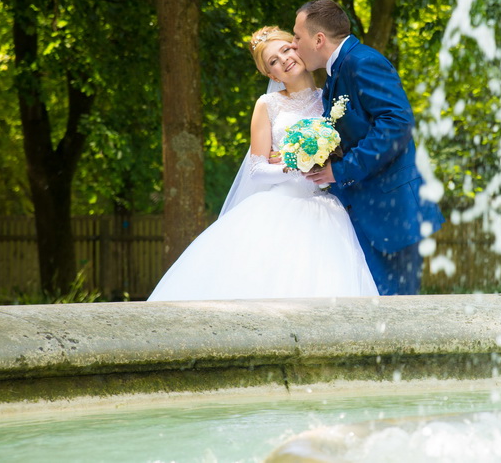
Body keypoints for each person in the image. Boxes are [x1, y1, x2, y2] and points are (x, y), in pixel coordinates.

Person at [147, 26, 378, 301]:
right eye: (273, 62)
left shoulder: (331, 100)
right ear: (271, 74)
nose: (284, 60)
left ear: (297, 46)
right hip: (280, 207)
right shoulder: (267, 105)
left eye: (285, 49)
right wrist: (292, 162)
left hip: (328, 209)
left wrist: (329, 158)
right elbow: (257, 170)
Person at [292, 0, 444, 295]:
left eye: (298, 37)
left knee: (396, 313)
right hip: (364, 210)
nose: (295, 45)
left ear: (318, 39)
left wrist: (342, 169)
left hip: (391, 213)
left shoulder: (363, 62)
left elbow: (397, 123)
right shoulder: (337, 71)